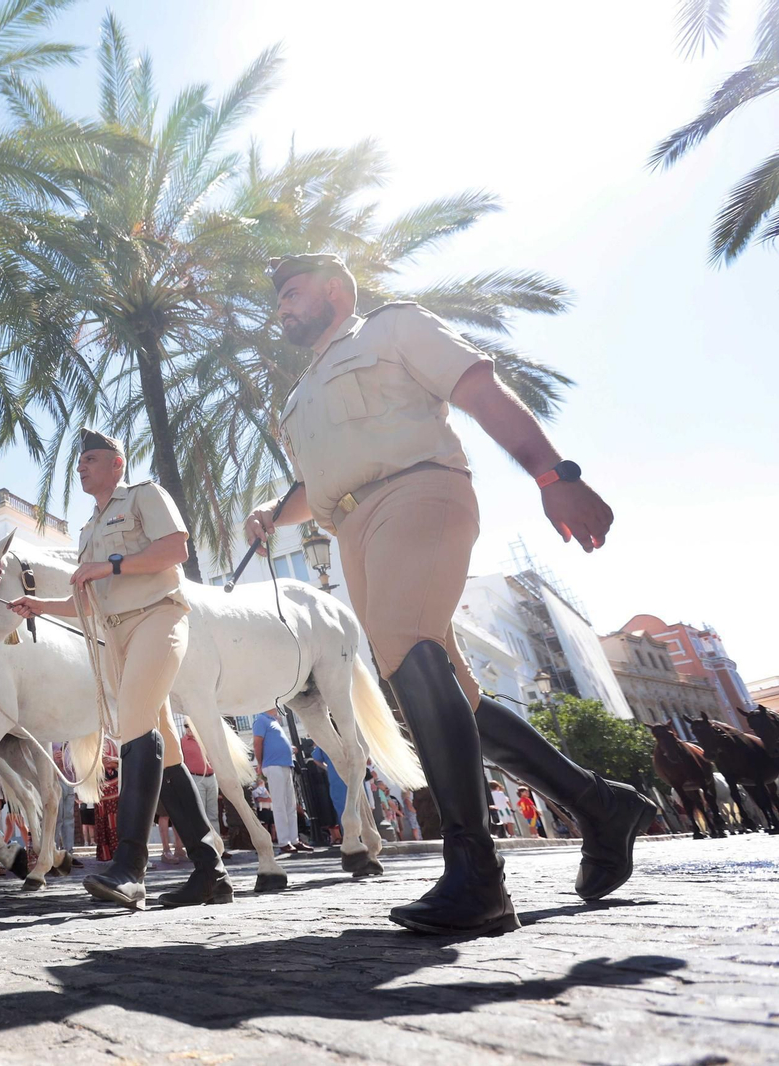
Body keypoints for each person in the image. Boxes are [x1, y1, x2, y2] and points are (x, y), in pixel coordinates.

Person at [251, 253, 653, 936]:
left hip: (421, 490)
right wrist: (273, 512)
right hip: (353, 529)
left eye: (292, 293)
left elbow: (478, 389)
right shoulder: (298, 394)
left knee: (407, 650)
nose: (282, 308)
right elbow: (318, 477)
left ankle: (477, 875)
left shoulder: (391, 328)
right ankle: (599, 805)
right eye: (278, 300)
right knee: (450, 692)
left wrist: (554, 475)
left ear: (334, 290)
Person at [9, 428, 228, 910]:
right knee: (163, 743)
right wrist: (40, 605)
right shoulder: (87, 530)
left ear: (117, 463)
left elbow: (175, 550)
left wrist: (109, 565)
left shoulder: (145, 496)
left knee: (134, 722)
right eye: (79, 462)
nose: (81, 467)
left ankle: (130, 867)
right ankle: (210, 870)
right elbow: (85, 596)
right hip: (115, 633)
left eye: (90, 459)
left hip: (158, 615)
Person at [254, 708, 307, 855]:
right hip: (273, 765)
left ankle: (294, 839)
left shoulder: (273, 721)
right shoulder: (261, 719)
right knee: (279, 804)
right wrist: (260, 764)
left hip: (284, 764)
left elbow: (274, 743)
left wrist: (289, 749)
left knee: (290, 804)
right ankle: (284, 841)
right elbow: (257, 743)